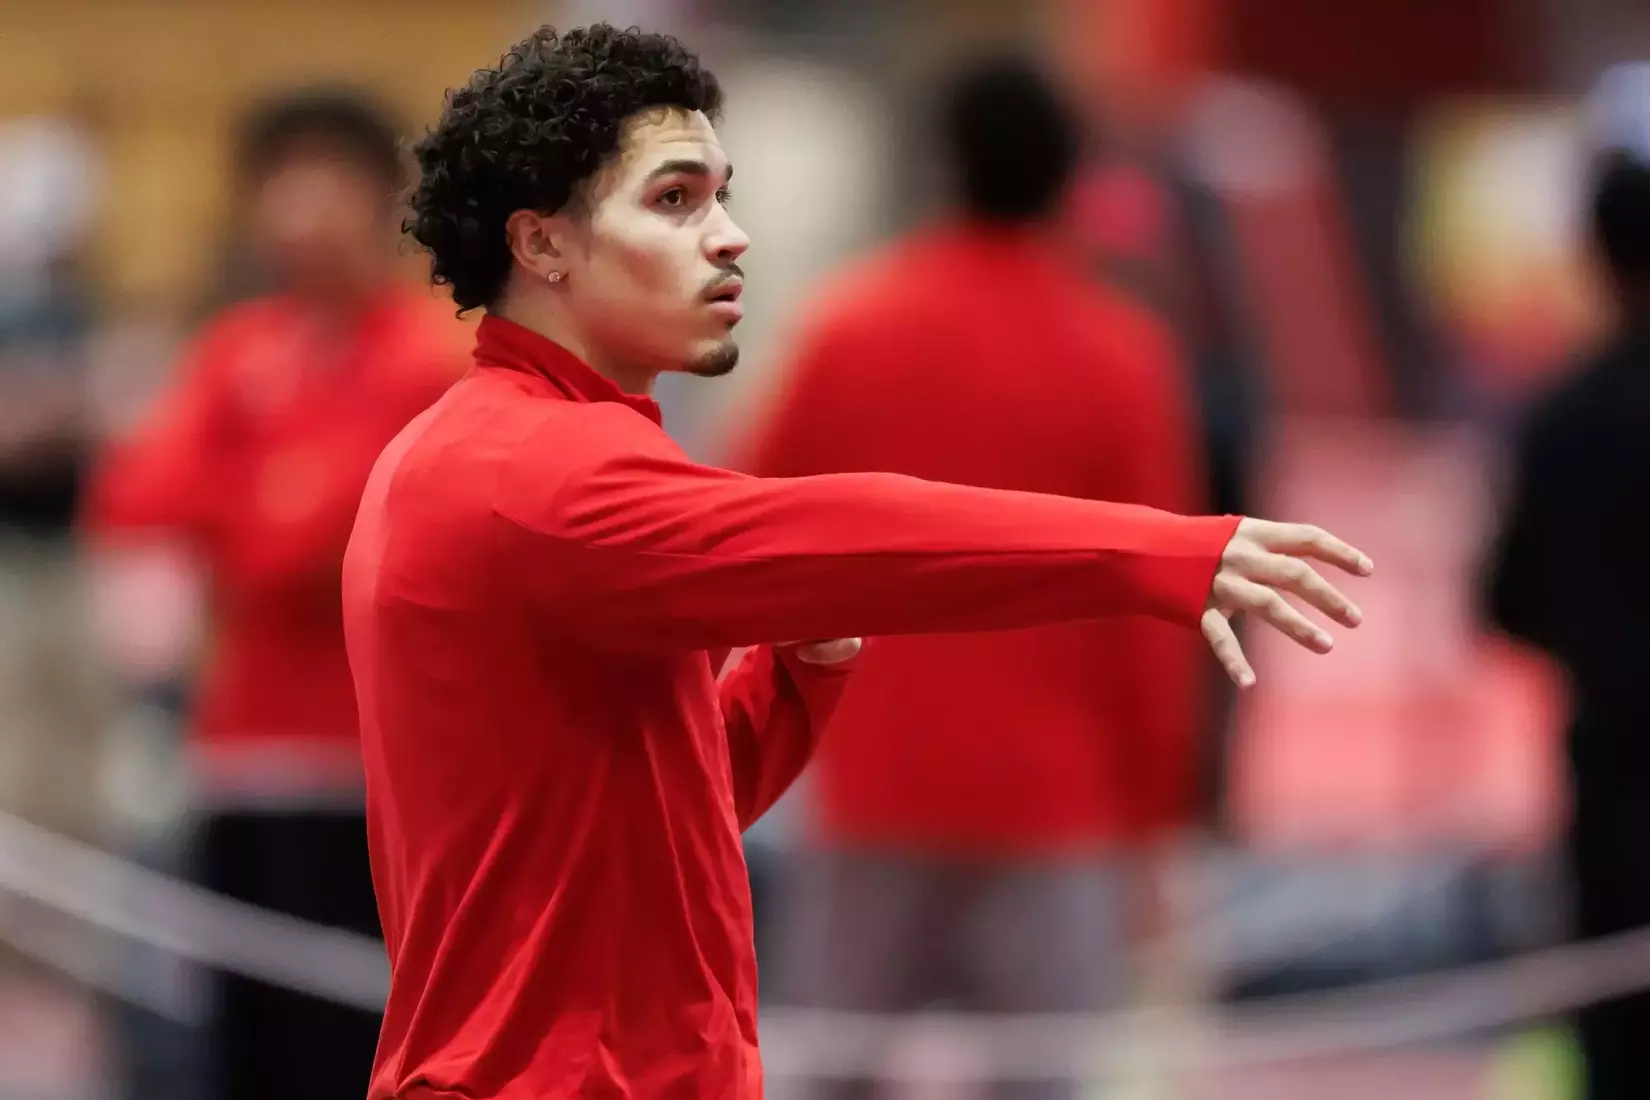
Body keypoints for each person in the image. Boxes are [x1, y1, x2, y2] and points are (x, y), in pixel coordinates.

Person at [348, 24, 1371, 1100]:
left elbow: (660, 801)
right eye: (675, 200)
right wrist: (1163, 549)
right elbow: (834, 526)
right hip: (571, 1072)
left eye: (720, 195)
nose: (731, 236)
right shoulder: (539, 466)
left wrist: (796, 668)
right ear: (542, 244)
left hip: (664, 1004)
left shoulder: (497, 439)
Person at [733, 55, 1207, 1100]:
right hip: (1055, 794)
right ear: (1069, 175)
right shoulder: (1121, 355)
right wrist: (1156, 814)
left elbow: (743, 535)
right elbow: (1155, 608)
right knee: (1039, 1081)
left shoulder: (849, 328)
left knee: (833, 1074)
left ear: (941, 163)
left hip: (869, 773)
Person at [82, 89, 469, 1100]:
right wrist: (274, 510)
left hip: (388, 762)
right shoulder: (236, 351)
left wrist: (259, 511)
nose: (305, 204)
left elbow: (341, 538)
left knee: (372, 1032)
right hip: (244, 750)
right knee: (251, 1033)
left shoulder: (435, 354)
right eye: (283, 179)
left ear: (386, 198)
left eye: (332, 175)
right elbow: (139, 499)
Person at [1481, 135, 1650, 1099]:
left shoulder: (1563, 418)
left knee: (1616, 1046)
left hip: (1607, 782)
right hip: (1606, 775)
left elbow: (1508, 600)